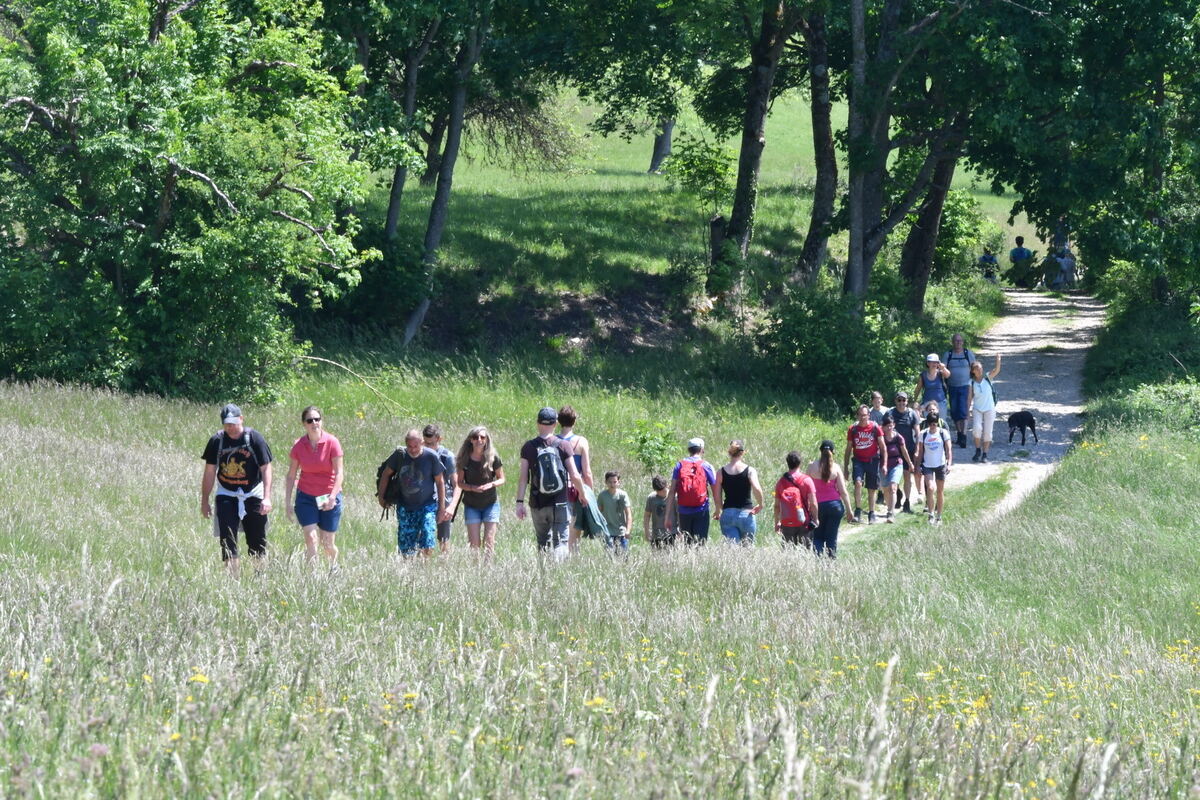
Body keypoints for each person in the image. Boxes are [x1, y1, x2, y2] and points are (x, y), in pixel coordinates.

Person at [200, 403, 273, 575]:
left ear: (241, 419)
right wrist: (204, 501)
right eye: (227, 424)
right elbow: (210, 471)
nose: (231, 427)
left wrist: (267, 497)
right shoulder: (217, 441)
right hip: (227, 494)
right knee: (228, 540)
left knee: (257, 540)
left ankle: (260, 578)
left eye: (234, 423)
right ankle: (233, 581)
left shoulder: (254, 438)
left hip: (253, 493)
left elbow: (266, 468)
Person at [514, 407, 588, 561]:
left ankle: (544, 576)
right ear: (555, 424)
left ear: (537, 423)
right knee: (560, 541)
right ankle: (558, 574)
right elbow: (575, 475)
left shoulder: (528, 447)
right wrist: (582, 493)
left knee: (542, 543)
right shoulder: (563, 445)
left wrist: (519, 503)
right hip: (560, 502)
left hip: (537, 503)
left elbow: (523, 478)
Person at [284, 406, 344, 568]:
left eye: (317, 419)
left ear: (321, 421)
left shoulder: (332, 442)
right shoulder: (299, 446)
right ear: (304, 424)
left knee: (327, 544)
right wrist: (288, 502)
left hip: (328, 496)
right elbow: (291, 475)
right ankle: (313, 575)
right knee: (311, 538)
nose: (314, 423)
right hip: (306, 497)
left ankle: (333, 567)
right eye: (310, 420)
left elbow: (339, 473)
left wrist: (332, 497)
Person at [377, 429, 446, 558]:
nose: (413, 449)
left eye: (416, 446)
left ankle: (424, 566)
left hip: (427, 505)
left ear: (422, 443)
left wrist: (442, 508)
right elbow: (386, 474)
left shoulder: (431, 456)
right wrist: (381, 496)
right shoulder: (400, 455)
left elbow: (440, 482)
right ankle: (409, 569)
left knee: (428, 537)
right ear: (406, 444)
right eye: (409, 446)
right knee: (406, 545)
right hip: (405, 506)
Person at [447, 425, 505, 560]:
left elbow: (502, 479)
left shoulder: (493, 457)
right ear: (471, 440)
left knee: (489, 540)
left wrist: (491, 484)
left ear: (486, 440)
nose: (479, 440)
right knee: (474, 543)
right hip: (471, 504)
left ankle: (488, 567)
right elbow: (460, 483)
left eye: (482, 437)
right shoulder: (464, 459)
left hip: (491, 503)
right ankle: (476, 567)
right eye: (475, 437)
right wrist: (472, 488)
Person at [807, 440, 856, 558]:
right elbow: (843, 492)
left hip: (817, 507)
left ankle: (817, 561)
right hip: (835, 506)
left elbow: (806, 487)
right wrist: (849, 510)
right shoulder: (836, 468)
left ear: (820, 451)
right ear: (833, 452)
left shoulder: (811, 466)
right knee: (831, 537)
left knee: (818, 536)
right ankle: (831, 562)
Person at [665, 438, 717, 545]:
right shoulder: (706, 465)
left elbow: (671, 492)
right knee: (700, 543)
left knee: (687, 544)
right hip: (702, 510)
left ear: (688, 450)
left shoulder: (679, 465)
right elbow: (715, 488)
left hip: (683, 511)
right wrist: (718, 508)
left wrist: (668, 516)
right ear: (702, 450)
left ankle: (689, 561)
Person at [557, 405, 595, 552]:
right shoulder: (581, 442)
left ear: (559, 421)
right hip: (576, 489)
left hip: (556, 489)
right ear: (574, 421)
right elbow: (587, 472)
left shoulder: (553, 440)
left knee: (559, 526)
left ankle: (559, 554)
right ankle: (572, 556)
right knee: (574, 526)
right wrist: (588, 493)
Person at [712, 440, 764, 546]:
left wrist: (718, 510)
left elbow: (717, 495)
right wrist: (760, 504)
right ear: (743, 452)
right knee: (748, 551)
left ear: (729, 452)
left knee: (732, 553)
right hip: (746, 514)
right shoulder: (750, 470)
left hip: (728, 513)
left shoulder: (720, 472)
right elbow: (757, 488)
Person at [843, 405, 886, 524]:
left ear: (869, 415)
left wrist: (884, 464)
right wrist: (845, 468)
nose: (863, 418)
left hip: (873, 460)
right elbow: (848, 449)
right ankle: (858, 511)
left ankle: (871, 513)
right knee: (857, 482)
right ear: (857, 416)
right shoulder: (853, 429)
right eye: (860, 415)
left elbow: (883, 447)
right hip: (858, 460)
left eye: (865, 415)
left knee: (872, 488)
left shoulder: (875, 428)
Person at [884, 391, 922, 513]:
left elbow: (918, 433)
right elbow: (882, 428)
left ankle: (907, 501)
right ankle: (898, 493)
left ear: (907, 401)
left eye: (904, 400)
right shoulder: (890, 413)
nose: (901, 403)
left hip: (908, 448)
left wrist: (917, 449)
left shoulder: (912, 414)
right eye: (899, 400)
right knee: (893, 477)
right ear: (895, 401)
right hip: (893, 450)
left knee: (906, 475)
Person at [774, 451, 818, 547]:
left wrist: (777, 522)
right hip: (804, 522)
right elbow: (813, 503)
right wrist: (815, 519)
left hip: (786, 523)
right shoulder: (807, 480)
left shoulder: (780, 482)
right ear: (800, 463)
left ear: (787, 463)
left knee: (788, 554)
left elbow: (777, 506)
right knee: (804, 553)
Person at [424, 424, 456, 554]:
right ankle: (424, 565)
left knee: (443, 537)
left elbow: (456, 483)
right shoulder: (420, 453)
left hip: (444, 500)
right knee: (425, 535)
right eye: (425, 442)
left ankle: (444, 564)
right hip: (425, 500)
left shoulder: (447, 456)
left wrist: (451, 506)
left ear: (439, 439)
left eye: (431, 443)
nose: (427, 446)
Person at [915, 412, 952, 524]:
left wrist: (949, 463)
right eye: (931, 424)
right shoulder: (923, 434)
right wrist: (917, 465)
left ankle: (939, 516)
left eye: (935, 424)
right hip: (927, 465)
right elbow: (920, 451)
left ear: (937, 423)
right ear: (927, 424)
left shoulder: (943, 433)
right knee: (930, 488)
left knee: (940, 491)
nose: (933, 426)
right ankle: (931, 514)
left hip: (940, 464)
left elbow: (948, 449)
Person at [943, 333, 976, 449]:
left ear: (963, 342)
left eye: (960, 341)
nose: (958, 343)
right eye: (956, 341)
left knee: (965, 411)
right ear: (952, 342)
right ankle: (959, 434)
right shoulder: (948, 354)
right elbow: (943, 370)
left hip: (966, 386)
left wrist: (975, 384)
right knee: (955, 411)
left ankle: (964, 436)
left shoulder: (968, 354)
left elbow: (975, 368)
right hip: (952, 386)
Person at [879, 416, 914, 524]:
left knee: (893, 488)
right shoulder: (881, 438)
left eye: (891, 425)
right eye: (887, 426)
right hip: (883, 465)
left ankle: (891, 512)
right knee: (885, 489)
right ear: (883, 427)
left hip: (896, 464)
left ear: (894, 425)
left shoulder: (898, 437)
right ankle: (889, 507)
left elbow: (904, 452)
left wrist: (910, 463)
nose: (889, 428)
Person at [968, 356, 1003, 462]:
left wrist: (998, 360)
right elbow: (970, 397)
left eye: (981, 368)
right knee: (977, 429)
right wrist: (967, 410)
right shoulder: (971, 382)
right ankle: (978, 449)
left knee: (988, 432)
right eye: (977, 368)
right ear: (973, 371)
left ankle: (985, 454)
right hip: (977, 409)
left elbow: (996, 370)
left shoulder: (988, 378)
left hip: (990, 409)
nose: (980, 370)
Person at [597, 471, 632, 554]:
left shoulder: (623, 495)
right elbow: (598, 512)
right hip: (607, 531)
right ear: (605, 482)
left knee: (624, 556)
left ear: (618, 482)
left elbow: (628, 514)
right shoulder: (602, 496)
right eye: (610, 482)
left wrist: (628, 530)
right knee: (610, 556)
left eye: (614, 482)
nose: (612, 484)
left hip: (621, 531)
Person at [915, 353, 951, 422]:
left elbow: (948, 375)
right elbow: (918, 389)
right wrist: (915, 401)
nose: (934, 364)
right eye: (932, 362)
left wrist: (943, 368)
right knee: (928, 422)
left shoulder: (940, 373)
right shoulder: (923, 375)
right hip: (927, 404)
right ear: (928, 363)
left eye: (936, 362)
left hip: (941, 403)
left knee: (941, 422)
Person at [643, 475, 674, 548]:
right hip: (656, 535)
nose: (661, 493)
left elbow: (679, 515)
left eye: (663, 490)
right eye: (658, 491)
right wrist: (647, 532)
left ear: (666, 485)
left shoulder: (674, 496)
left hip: (672, 533)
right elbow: (647, 515)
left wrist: (680, 531)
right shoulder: (651, 498)